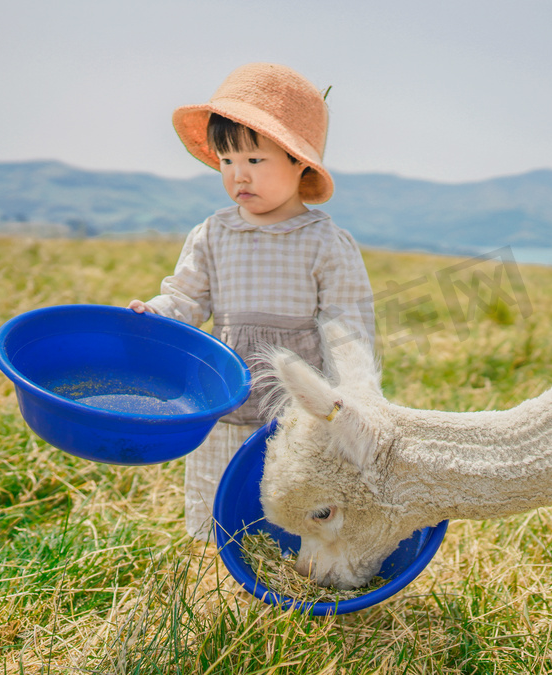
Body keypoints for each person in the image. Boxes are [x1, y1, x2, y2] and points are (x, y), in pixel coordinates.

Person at [128, 63, 376, 541]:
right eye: (227, 161)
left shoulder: (324, 241)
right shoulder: (215, 233)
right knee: (216, 498)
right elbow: (186, 297)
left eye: (255, 162)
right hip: (225, 398)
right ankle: (217, 579)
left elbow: (348, 324)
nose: (238, 176)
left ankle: (285, 585)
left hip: (298, 413)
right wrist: (157, 313)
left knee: (291, 502)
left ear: (299, 161)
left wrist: (350, 394)